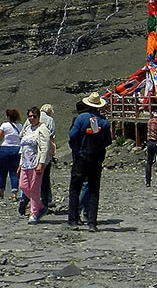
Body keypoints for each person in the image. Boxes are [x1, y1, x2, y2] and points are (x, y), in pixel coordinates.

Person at [67, 93, 111, 232]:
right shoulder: (104, 122)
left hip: (81, 157)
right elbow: (108, 141)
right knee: (93, 190)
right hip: (96, 158)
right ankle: (92, 222)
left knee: (75, 189)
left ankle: (73, 220)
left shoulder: (81, 118)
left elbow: (72, 135)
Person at [18, 107, 51, 225]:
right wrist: (20, 164)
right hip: (26, 163)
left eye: (34, 116)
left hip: (35, 163)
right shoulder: (27, 129)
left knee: (34, 188)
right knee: (23, 186)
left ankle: (34, 213)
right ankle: (41, 206)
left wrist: (41, 163)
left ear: (38, 117)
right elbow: (23, 148)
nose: (32, 118)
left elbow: (45, 147)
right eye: (30, 116)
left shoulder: (42, 129)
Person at [0, 109, 24, 201]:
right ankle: (14, 193)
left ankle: (1, 191)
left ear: (8, 116)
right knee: (14, 172)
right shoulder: (20, 126)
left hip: (5, 149)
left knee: (2, 172)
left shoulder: (4, 125)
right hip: (17, 149)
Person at [38, 104, 56, 210]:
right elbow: (52, 136)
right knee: (45, 177)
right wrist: (53, 151)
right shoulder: (50, 120)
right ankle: (45, 201)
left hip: (33, 151)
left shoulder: (32, 118)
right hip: (45, 151)